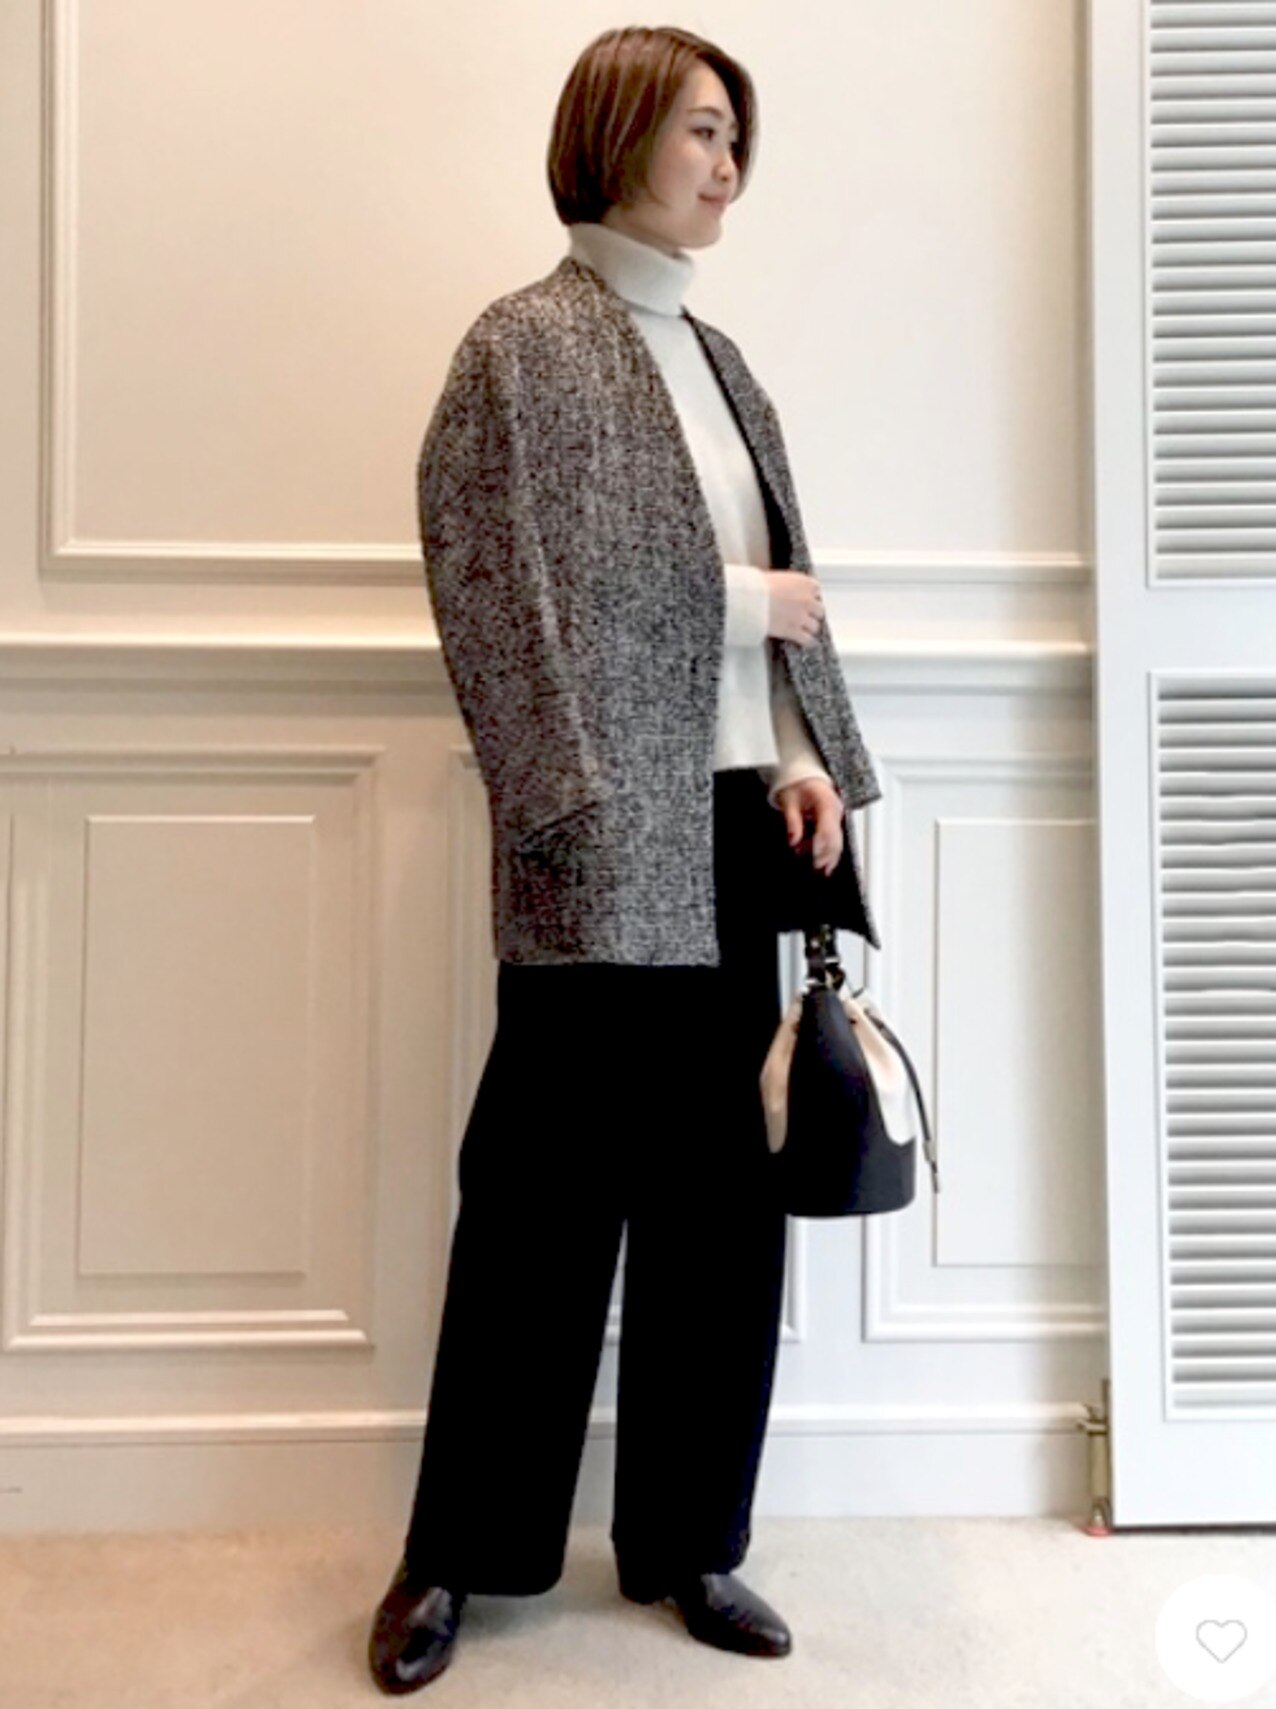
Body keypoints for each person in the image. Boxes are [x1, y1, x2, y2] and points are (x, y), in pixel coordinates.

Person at [368, 24, 882, 1696]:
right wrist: (739, 606)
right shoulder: (518, 350)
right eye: (701, 129)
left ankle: (691, 1539)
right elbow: (496, 578)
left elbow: (779, 612)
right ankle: (457, 1550)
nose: (727, 162)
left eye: (738, 136)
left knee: (724, 1208)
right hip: (600, 823)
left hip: (734, 823)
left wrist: (803, 761)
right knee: (537, 1201)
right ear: (617, 134)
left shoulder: (727, 366)